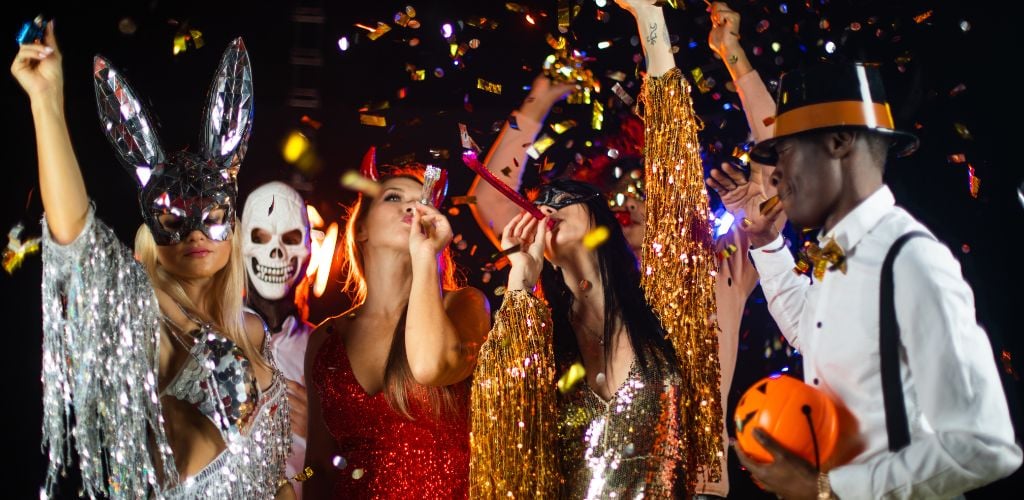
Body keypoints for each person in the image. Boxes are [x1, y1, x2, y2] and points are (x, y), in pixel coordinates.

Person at [14, 24, 293, 499]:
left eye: (211, 216)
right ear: (151, 231)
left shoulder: (253, 330)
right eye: (173, 219)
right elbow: (77, 240)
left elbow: (274, 474)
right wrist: (46, 101)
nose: (196, 234)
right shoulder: (148, 314)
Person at [469, 1, 723, 498]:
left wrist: (650, 17)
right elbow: (502, 444)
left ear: (602, 218)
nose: (547, 207)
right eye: (539, 202)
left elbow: (674, 165)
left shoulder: (664, 305)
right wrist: (519, 280)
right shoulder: (539, 338)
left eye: (564, 197)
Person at [734, 61, 1022, 499]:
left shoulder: (908, 259)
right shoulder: (844, 256)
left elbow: (984, 445)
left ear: (838, 142)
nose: (774, 175)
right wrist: (767, 246)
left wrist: (830, 489)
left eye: (787, 152)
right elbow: (807, 331)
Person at [302, 160, 491, 498]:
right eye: (393, 197)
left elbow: (433, 365)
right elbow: (317, 461)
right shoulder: (325, 339)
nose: (412, 207)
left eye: (423, 201)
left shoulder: (464, 305)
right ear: (361, 228)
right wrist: (289, 480)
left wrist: (425, 257)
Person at [241, 181, 315, 497]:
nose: (276, 251)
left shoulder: (326, 348)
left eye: (290, 239)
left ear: (309, 250)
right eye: (261, 237)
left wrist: (322, 430)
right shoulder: (205, 338)